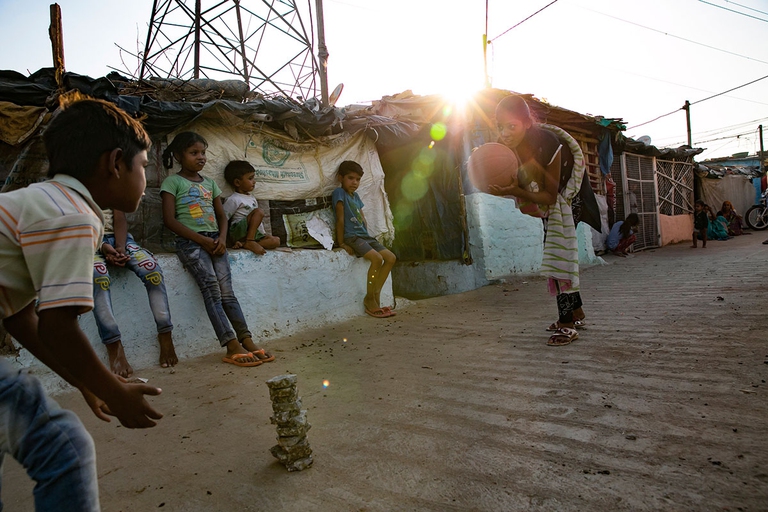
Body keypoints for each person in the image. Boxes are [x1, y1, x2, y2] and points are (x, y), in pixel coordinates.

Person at [0, 96, 162, 511]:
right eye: (143, 166)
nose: (146, 178)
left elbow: (19, 316)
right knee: (65, 449)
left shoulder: (40, 202)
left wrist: (84, 381)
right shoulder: (74, 215)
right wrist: (113, 390)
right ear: (115, 163)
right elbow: (57, 326)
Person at [160, 132, 275, 367]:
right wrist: (201, 241)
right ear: (179, 156)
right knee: (211, 289)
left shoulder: (210, 184)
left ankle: (246, 339)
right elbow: (170, 220)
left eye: (203, 152)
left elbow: (222, 216)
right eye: (194, 153)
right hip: (191, 243)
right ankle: (231, 345)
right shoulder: (172, 182)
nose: (200, 157)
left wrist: (222, 238)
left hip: (215, 241)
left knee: (227, 292)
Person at [488, 94, 586, 346]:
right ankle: (576, 312)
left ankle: (566, 324)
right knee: (556, 252)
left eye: (512, 126)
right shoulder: (512, 147)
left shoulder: (548, 143)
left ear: (527, 123)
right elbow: (522, 179)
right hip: (553, 202)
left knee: (557, 256)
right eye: (500, 126)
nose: (505, 132)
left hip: (569, 200)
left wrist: (516, 191)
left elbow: (551, 196)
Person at [92, 208, 178, 377]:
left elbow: (120, 218)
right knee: (98, 277)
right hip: (88, 243)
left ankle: (165, 332)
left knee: (152, 271)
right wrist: (102, 247)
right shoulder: (71, 191)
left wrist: (120, 248)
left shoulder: (107, 184)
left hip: (120, 239)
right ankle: (114, 345)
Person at [333, 160, 397, 319]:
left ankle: (376, 294)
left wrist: (368, 236)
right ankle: (369, 299)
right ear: (341, 178)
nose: (354, 182)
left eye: (358, 179)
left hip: (365, 237)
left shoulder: (356, 196)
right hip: (352, 237)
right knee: (376, 259)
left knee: (390, 258)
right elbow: (340, 219)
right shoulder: (339, 193)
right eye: (350, 178)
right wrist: (341, 242)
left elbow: (362, 218)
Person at [221, 160, 280, 255]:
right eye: (250, 178)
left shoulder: (252, 198)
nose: (254, 181)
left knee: (276, 241)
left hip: (252, 233)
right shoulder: (234, 199)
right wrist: (222, 239)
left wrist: (262, 234)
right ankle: (250, 241)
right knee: (259, 212)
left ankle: (245, 244)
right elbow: (222, 218)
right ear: (237, 182)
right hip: (238, 231)